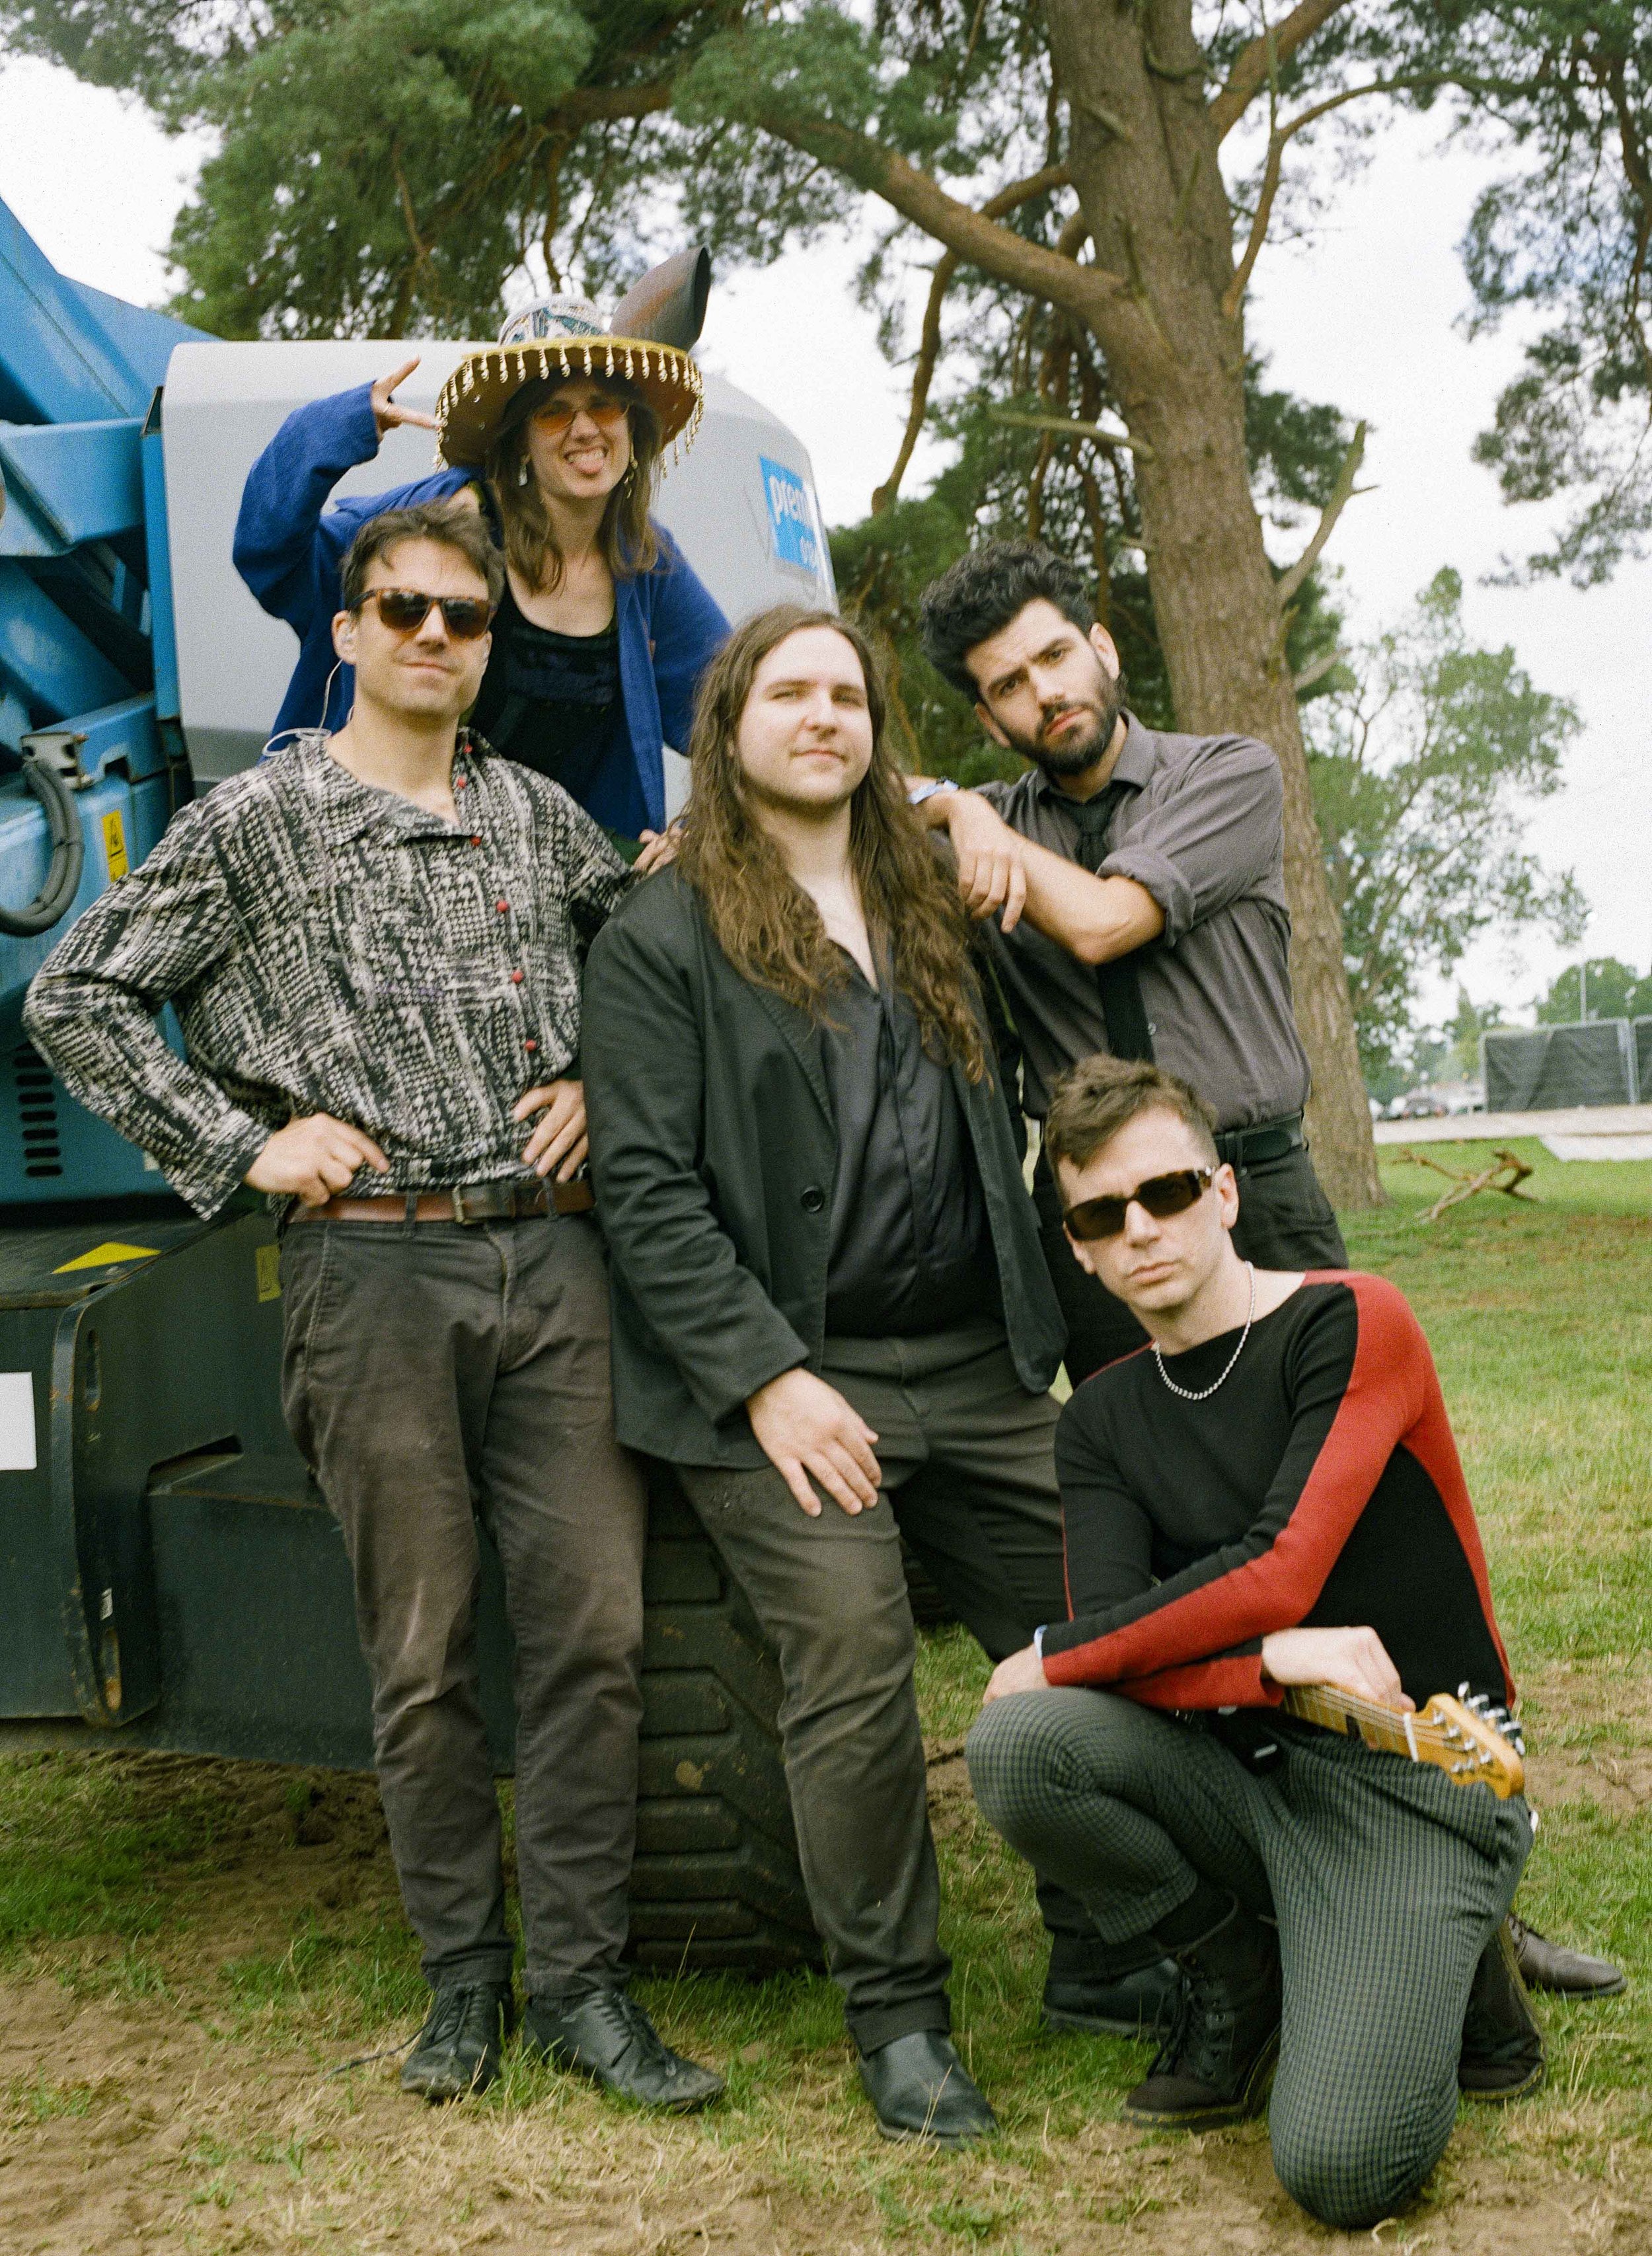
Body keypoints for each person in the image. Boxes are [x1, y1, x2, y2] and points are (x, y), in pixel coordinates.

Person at [24, 500, 723, 2117]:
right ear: (345, 635)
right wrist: (240, 1137)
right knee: (420, 1648)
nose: (430, 633)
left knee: (593, 1636)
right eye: (400, 607)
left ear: (487, 648)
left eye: (462, 617)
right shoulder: (257, 821)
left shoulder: (543, 818)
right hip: (373, 1267)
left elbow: (654, 981)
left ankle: (586, 1990)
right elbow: (78, 993)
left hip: (552, 1262)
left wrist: (600, 1086)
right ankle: (462, 1987)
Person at [582, 605, 1154, 2146]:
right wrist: (769, 1379)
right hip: (784, 1374)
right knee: (848, 1656)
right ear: (733, 723)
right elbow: (641, 1190)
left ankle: (1107, 1948)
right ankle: (900, 2021)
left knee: (1109, 1610)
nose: (822, 714)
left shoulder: (930, 901)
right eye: (790, 691)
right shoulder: (660, 935)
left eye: (847, 693)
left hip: (970, 1363)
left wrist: (966, 817)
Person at [964, 1055, 1545, 2228]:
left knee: (1341, 2167)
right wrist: (1267, 1661)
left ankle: (1464, 1940)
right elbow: (1132, 1655)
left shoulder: (1351, 1318)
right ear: (1076, 1246)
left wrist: (1065, 1650)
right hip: (1240, 1761)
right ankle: (1238, 1969)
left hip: (1416, 1769)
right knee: (1024, 1744)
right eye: (1100, 1214)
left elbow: (1278, 1564)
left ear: (1225, 1191)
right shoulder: (1107, 1419)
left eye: (1167, 1191)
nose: (1141, 1230)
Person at [912, 538, 1346, 1382]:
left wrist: (966, 820)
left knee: (1328, 1458)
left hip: (1252, 1187)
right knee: (1149, 1475)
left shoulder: (1229, 774)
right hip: (1096, 1218)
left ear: (1100, 648)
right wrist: (949, 804)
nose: (1045, 692)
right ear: (987, 720)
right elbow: (847, 794)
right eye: (1009, 685)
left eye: (1054, 655)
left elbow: (1105, 923)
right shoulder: (982, 830)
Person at [234, 263, 728, 843]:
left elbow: (738, 713)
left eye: (603, 404)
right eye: (553, 410)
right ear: (519, 436)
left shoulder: (647, 562)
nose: (584, 429)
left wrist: (699, 831)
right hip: (396, 849)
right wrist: (339, 426)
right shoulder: (451, 516)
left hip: (574, 879)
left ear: (631, 423)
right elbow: (270, 551)